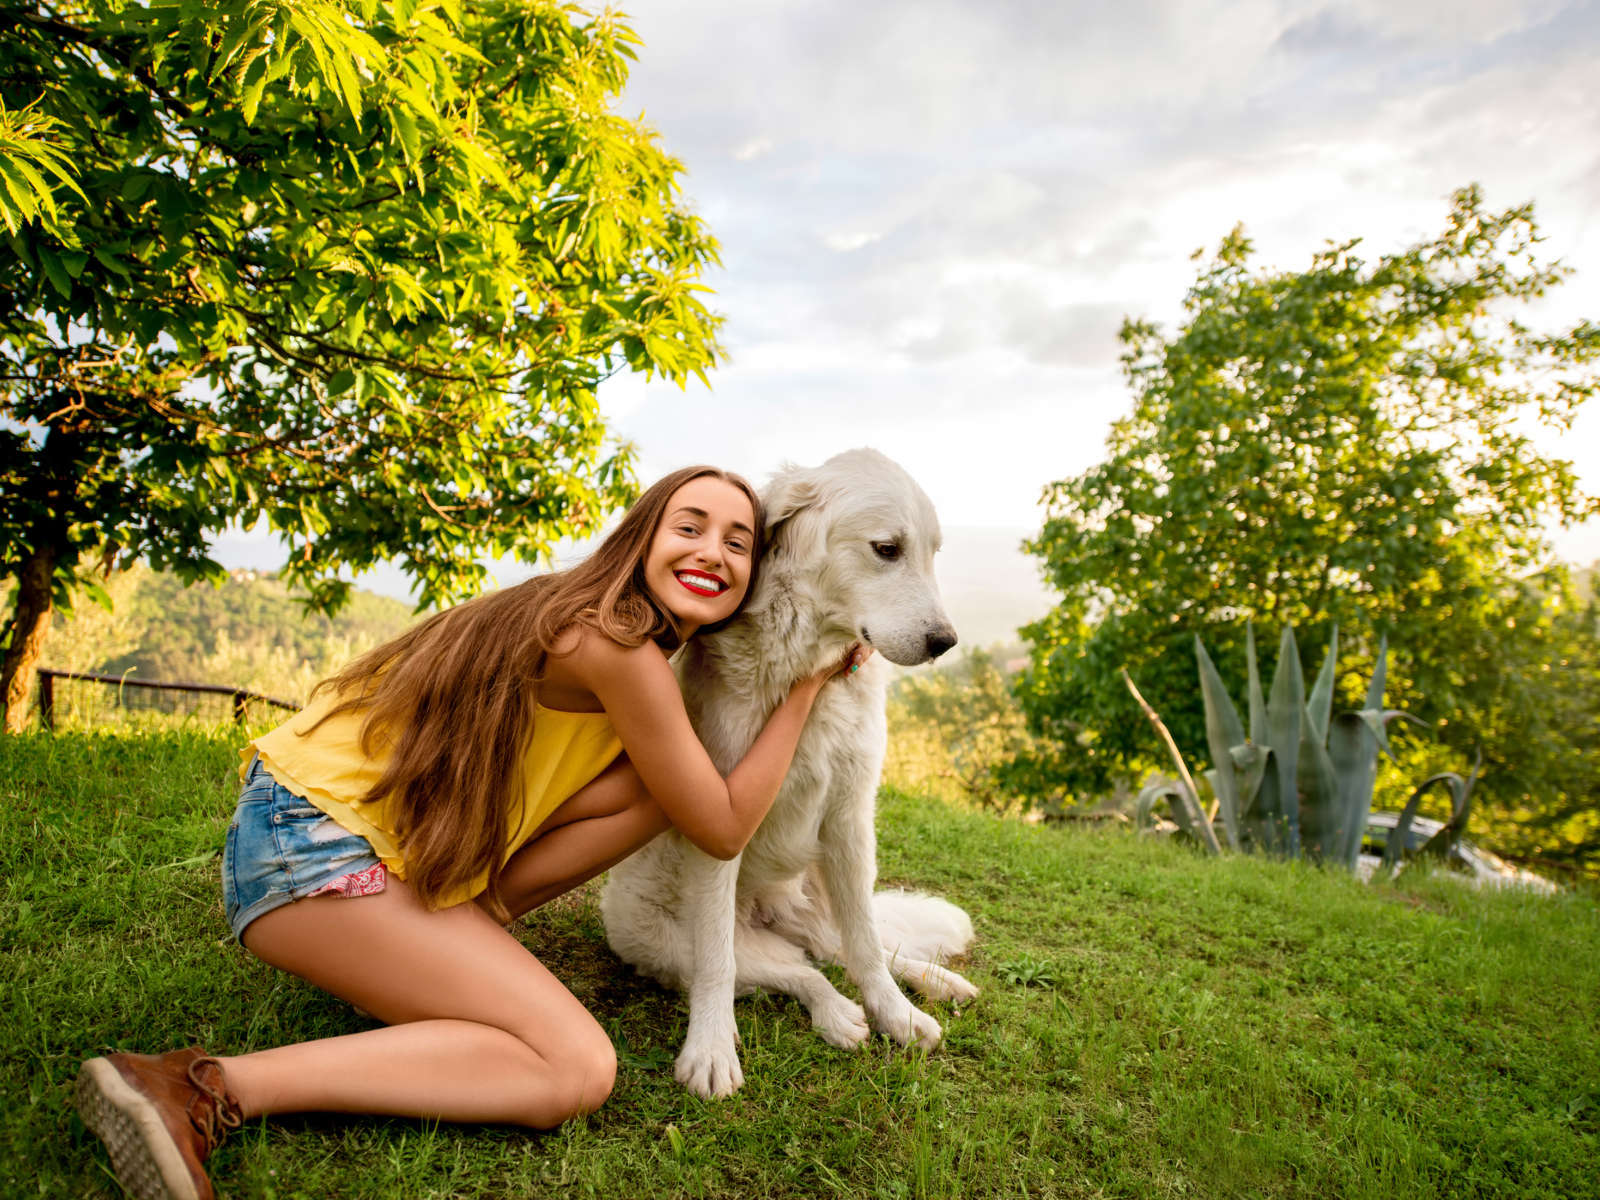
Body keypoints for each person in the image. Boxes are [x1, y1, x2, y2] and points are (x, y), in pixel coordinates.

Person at [73, 465, 870, 1200]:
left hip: (328, 841)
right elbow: (726, 827)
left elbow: (689, 801)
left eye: (739, 542)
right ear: (641, 539)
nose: (714, 553)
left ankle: (476, 915)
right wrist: (803, 683)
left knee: (657, 787)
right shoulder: (615, 642)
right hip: (309, 847)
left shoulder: (601, 630)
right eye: (689, 526)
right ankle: (200, 1086)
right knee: (575, 1068)